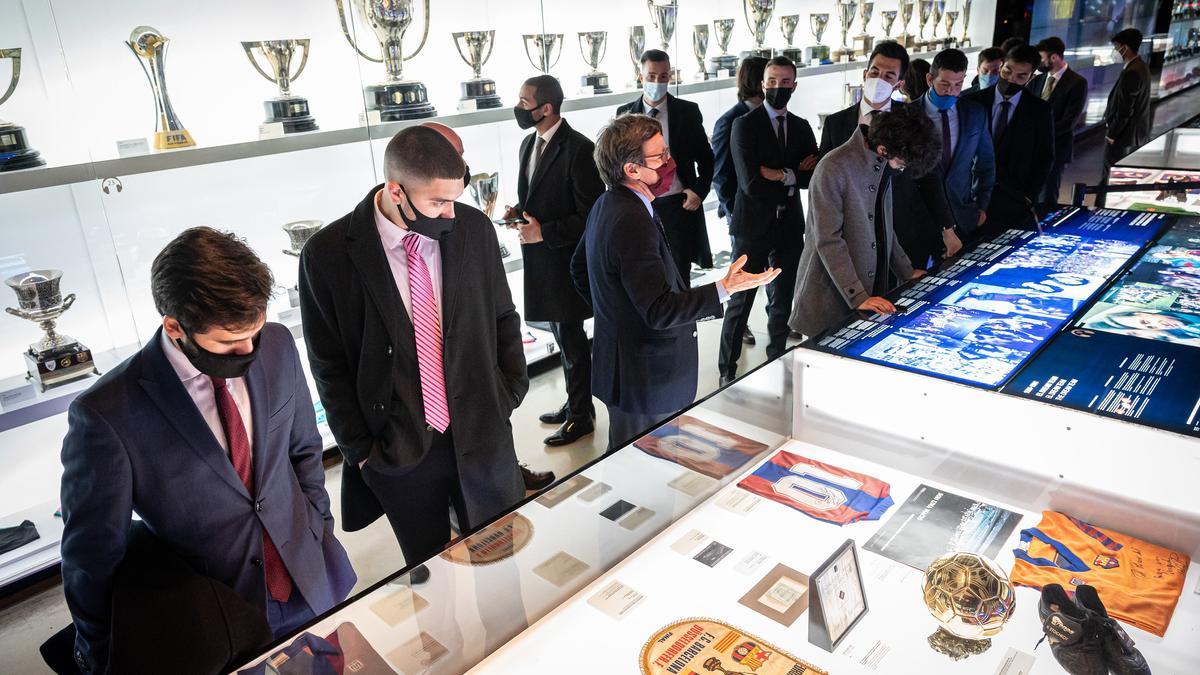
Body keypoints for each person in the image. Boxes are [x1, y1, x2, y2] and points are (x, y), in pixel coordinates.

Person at [60, 228, 355, 674]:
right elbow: (92, 556)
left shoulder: (276, 346)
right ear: (175, 327)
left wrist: (318, 520)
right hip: (214, 620)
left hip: (313, 579)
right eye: (228, 343)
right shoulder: (106, 414)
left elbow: (303, 447)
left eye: (253, 333)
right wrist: (101, 653)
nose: (248, 350)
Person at [299, 126, 528, 583]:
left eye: (453, 199)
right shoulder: (326, 254)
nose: (451, 213)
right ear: (395, 191)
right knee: (430, 585)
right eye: (437, 203)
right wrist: (361, 451)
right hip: (399, 448)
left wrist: (510, 388)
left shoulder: (475, 229)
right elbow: (328, 364)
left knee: (505, 569)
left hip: (482, 430)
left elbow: (503, 313)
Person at [570, 114, 779, 449]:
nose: (670, 163)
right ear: (631, 169)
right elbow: (659, 310)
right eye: (660, 157)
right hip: (647, 378)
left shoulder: (608, 203)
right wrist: (724, 288)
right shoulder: (630, 218)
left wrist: (616, 314)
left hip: (629, 370)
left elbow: (579, 270)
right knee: (645, 473)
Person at [500, 75, 605, 449]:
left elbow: (592, 213)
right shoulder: (528, 144)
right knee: (565, 340)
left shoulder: (579, 149)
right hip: (541, 261)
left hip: (566, 263)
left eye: (524, 100)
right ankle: (576, 402)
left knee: (573, 342)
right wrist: (519, 211)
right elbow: (536, 195)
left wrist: (546, 233)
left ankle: (581, 417)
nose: (518, 106)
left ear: (546, 108)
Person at [789, 106, 941, 338]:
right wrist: (857, 295)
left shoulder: (880, 164)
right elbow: (828, 240)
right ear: (883, 149)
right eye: (901, 164)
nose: (901, 170)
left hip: (872, 289)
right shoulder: (834, 166)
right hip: (831, 297)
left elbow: (885, 227)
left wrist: (906, 272)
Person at [717, 56, 819, 385]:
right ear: (763, 84)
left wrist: (780, 173)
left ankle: (777, 359)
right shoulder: (744, 125)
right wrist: (792, 172)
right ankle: (726, 372)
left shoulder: (802, 126)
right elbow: (750, 182)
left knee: (783, 298)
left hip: (789, 224)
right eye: (772, 81)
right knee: (740, 300)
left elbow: (810, 177)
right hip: (752, 228)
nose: (778, 87)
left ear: (794, 85)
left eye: (785, 82)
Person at [616, 48, 715, 286]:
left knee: (679, 275)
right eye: (652, 76)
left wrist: (699, 192)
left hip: (676, 205)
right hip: (640, 205)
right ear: (641, 77)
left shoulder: (687, 112)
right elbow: (618, 163)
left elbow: (707, 158)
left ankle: (682, 323)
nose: (658, 82)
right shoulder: (625, 114)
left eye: (663, 76)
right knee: (643, 272)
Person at [964, 44, 1054, 236]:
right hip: (971, 196)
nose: (1011, 79)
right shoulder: (973, 101)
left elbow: (1045, 157)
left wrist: (1028, 196)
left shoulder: (1039, 111)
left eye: (1021, 76)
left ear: (1031, 77)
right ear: (1001, 66)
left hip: (1013, 199)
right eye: (1007, 71)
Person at [711, 56, 769, 347]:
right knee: (742, 276)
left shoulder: (772, 116)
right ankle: (738, 327)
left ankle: (774, 319)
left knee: (773, 273)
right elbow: (720, 175)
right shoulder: (729, 120)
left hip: (773, 213)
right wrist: (735, 213)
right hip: (744, 215)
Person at [918, 48, 995, 248]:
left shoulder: (975, 113)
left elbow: (986, 163)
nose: (951, 91)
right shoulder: (909, 115)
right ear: (929, 79)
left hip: (963, 213)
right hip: (920, 215)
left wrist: (981, 205)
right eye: (944, 85)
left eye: (957, 85)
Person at [819, 41, 909, 156]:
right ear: (865, 75)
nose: (879, 80)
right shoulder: (835, 123)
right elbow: (825, 170)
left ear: (899, 85)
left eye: (888, 76)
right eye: (874, 72)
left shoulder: (910, 118)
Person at [1030, 37, 1087, 205]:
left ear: (1054, 57)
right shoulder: (1037, 80)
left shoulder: (1077, 83)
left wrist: (1040, 135)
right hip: (1033, 150)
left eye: (1041, 58)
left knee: (1048, 196)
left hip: (1056, 149)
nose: (1038, 62)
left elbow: (1069, 121)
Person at [1099, 28, 1152, 207]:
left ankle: (1101, 210)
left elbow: (1125, 109)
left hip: (1123, 136)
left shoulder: (1132, 72)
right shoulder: (1140, 66)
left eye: (1116, 46)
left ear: (1125, 48)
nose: (1115, 51)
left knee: (1109, 175)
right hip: (1132, 134)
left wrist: (1112, 134)